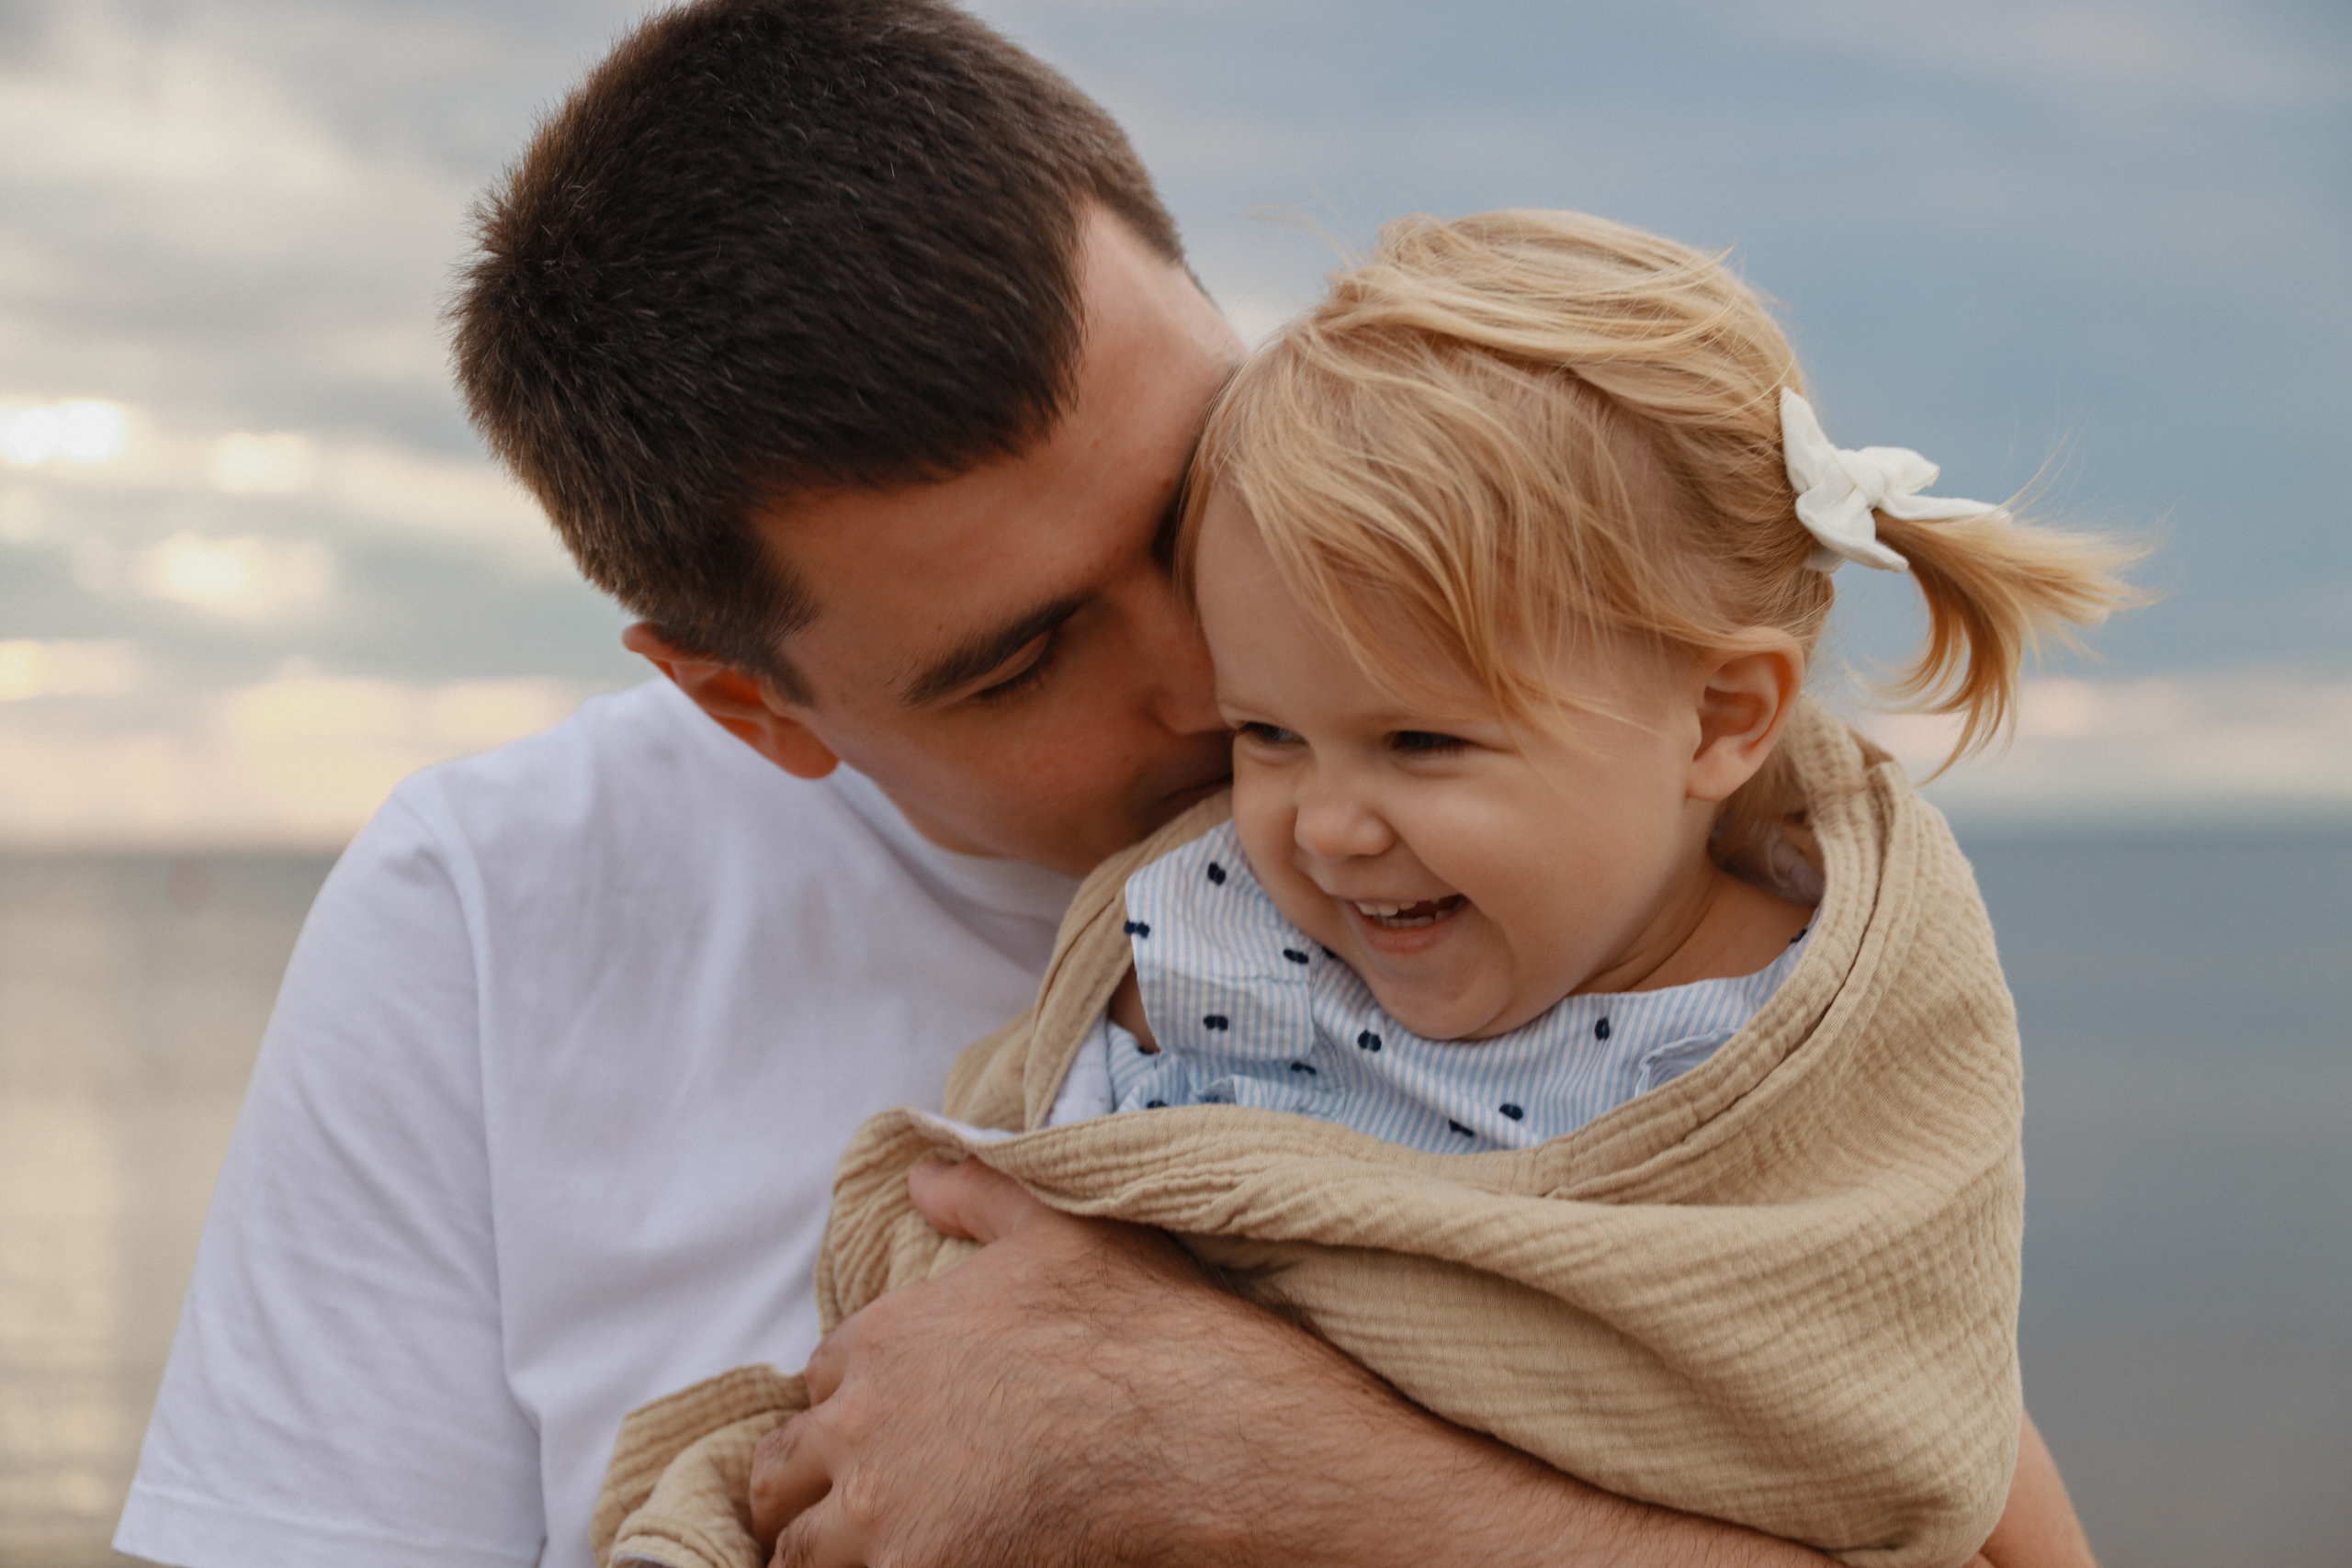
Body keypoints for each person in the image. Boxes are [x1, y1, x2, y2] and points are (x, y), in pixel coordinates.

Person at [114, 5, 2098, 1567]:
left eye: (1187, 499)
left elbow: (1914, 1457)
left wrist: (1261, 1463)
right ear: (751, 707)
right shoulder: (489, 910)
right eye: (1017, 654)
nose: (1221, 677)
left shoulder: (1657, 848)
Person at [599, 209, 2139, 1568]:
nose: (1320, 826)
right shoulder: (1218, 917)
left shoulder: (1795, 1034)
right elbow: (1039, 1174)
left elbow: (1904, 1398)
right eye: (1271, 731)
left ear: (1725, 719)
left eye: (1419, 740)